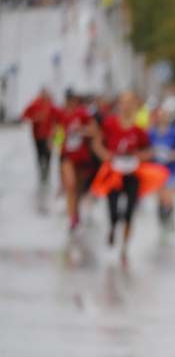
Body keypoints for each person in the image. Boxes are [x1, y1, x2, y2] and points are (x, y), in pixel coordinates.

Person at [92, 91, 152, 260]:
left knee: (129, 213)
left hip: (132, 173)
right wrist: (106, 156)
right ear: (119, 104)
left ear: (135, 105)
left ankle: (124, 248)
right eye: (124, 102)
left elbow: (148, 151)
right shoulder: (109, 124)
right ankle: (112, 228)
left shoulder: (138, 129)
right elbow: (97, 143)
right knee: (113, 210)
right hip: (114, 173)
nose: (126, 106)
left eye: (130, 102)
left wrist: (139, 156)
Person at [55, 90, 99, 231]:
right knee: (71, 185)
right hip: (67, 156)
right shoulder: (61, 114)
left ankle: (76, 211)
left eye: (73, 100)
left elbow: (94, 131)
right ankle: (72, 218)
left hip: (82, 157)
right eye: (68, 100)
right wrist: (57, 141)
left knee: (78, 189)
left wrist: (82, 130)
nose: (71, 103)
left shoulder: (83, 114)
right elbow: (57, 132)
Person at [148, 106, 175, 231]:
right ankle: (161, 222)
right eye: (160, 115)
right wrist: (152, 153)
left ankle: (169, 219)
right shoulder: (151, 132)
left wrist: (173, 155)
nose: (162, 118)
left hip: (171, 170)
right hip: (156, 171)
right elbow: (146, 150)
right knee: (160, 199)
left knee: (169, 198)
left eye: (165, 115)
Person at [20, 88, 57, 185]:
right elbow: (24, 115)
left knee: (48, 153)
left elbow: (58, 118)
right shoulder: (35, 104)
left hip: (49, 135)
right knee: (40, 153)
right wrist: (35, 118)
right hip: (37, 135)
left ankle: (46, 171)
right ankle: (41, 170)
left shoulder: (51, 105)